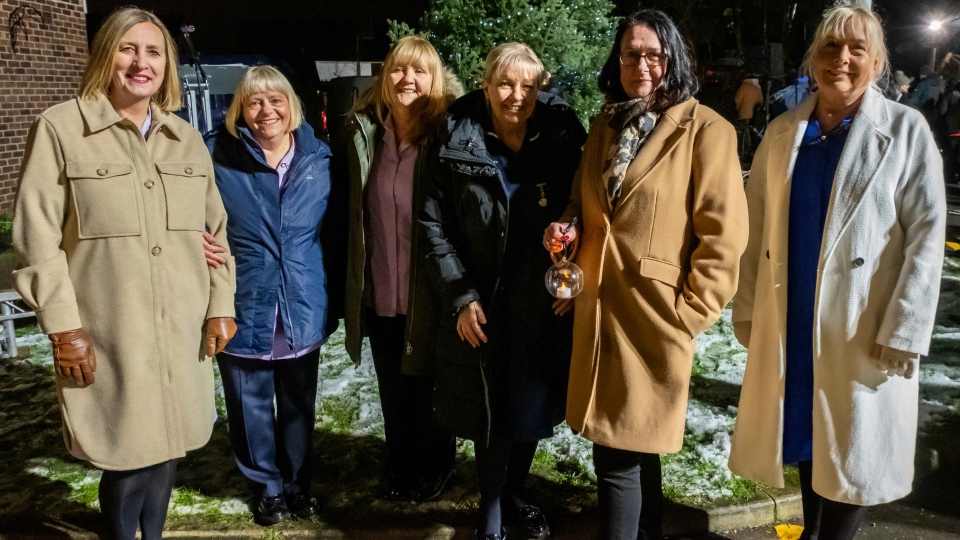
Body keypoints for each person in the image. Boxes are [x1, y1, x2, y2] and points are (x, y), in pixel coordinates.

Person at [11, 7, 236, 539]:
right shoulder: (61, 129)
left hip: (180, 328)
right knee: (128, 457)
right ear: (104, 55)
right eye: (128, 49)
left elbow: (216, 233)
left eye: (154, 52)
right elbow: (36, 238)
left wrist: (220, 304)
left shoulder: (185, 139)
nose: (142, 62)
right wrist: (64, 327)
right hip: (110, 331)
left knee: (167, 453)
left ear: (167, 65)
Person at [728, 7, 946, 540]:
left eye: (856, 49)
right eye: (830, 47)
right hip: (793, 321)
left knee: (851, 459)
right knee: (808, 441)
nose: (841, 59)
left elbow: (927, 236)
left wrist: (904, 329)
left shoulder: (904, 131)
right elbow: (753, 234)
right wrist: (749, 310)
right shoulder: (783, 133)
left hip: (861, 329)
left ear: (876, 61)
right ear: (813, 58)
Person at [543, 9, 747, 539]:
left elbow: (724, 237)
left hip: (655, 318)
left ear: (673, 59)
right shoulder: (605, 125)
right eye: (631, 53)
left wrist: (691, 312)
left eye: (654, 53)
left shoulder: (707, 129)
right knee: (633, 447)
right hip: (600, 311)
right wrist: (566, 226)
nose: (642, 64)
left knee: (618, 455)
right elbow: (583, 200)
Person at [421, 43, 586, 540]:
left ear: (541, 88)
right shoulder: (456, 136)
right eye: (506, 84)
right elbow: (433, 225)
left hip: (541, 296)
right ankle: (490, 513)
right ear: (486, 83)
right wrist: (460, 297)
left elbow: (584, 206)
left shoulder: (559, 134)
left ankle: (515, 492)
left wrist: (570, 256)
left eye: (529, 86)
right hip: (483, 296)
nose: (517, 96)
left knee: (531, 406)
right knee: (491, 410)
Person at [203, 65, 336, 525]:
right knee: (249, 403)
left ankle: (299, 484)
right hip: (244, 297)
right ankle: (267, 488)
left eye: (276, 99)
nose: (267, 110)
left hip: (302, 297)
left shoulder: (319, 157)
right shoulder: (217, 155)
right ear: (240, 109)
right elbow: (182, 211)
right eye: (255, 101)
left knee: (299, 403)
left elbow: (336, 230)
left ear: (292, 105)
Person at [338, 35, 461, 503]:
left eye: (420, 71)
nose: (407, 80)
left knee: (429, 388)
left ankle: (438, 465)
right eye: (397, 70)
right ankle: (402, 463)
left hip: (429, 292)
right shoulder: (363, 134)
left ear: (435, 81)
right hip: (381, 291)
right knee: (393, 388)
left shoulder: (447, 137)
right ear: (384, 78)